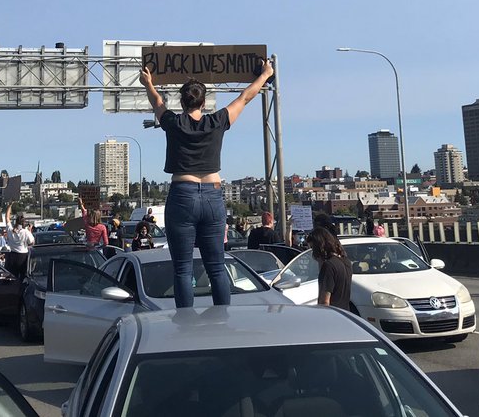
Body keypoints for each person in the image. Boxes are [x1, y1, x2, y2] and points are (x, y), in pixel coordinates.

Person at [140, 57, 275, 308]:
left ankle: (186, 324)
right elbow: (245, 97)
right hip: (213, 195)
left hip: (182, 194)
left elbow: (157, 102)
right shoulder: (218, 121)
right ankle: (222, 321)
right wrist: (266, 74)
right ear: (204, 102)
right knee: (216, 267)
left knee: (182, 269)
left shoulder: (173, 122)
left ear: (182, 103)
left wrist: (148, 83)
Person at [307, 226, 353, 311]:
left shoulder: (328, 266)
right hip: (345, 314)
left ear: (319, 247)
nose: (313, 253)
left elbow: (324, 301)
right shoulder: (346, 262)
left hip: (332, 315)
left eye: (313, 248)